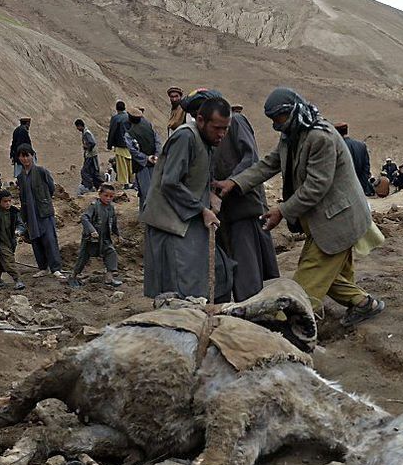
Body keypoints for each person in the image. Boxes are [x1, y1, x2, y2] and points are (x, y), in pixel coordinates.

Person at [216, 87, 385, 326]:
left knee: (306, 283)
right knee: (330, 275)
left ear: (292, 111)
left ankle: (288, 327)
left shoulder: (320, 137)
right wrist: (235, 182)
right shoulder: (291, 134)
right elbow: (269, 164)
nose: (276, 124)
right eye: (272, 120)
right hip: (321, 221)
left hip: (336, 220)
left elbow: (316, 187)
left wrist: (281, 211)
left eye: (279, 118)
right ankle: (364, 304)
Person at [140, 94, 234, 301]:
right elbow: (170, 182)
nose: (222, 134)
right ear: (201, 120)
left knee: (213, 273)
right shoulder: (185, 137)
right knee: (182, 286)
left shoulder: (205, 140)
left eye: (225, 129)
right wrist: (202, 210)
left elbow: (193, 176)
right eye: (217, 128)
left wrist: (209, 194)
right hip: (171, 224)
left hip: (185, 218)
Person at [213, 96, 280, 300]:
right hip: (225, 209)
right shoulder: (205, 133)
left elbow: (250, 158)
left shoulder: (237, 122)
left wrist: (232, 181)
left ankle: (253, 310)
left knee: (248, 265)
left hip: (244, 204)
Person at [15, 143, 65, 278]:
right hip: (29, 213)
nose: (25, 159)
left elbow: (51, 188)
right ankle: (43, 267)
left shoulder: (41, 171)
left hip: (43, 211)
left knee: (49, 239)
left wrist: (44, 200)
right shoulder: (20, 177)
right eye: (22, 156)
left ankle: (55, 268)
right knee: (35, 240)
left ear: (32, 156)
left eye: (27, 156)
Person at [70, 183, 122, 287]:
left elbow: (113, 222)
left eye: (111, 196)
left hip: (105, 238)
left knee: (111, 253)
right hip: (91, 239)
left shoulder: (111, 208)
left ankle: (109, 277)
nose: (108, 198)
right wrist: (92, 230)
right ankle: (73, 276)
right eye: (106, 196)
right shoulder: (94, 206)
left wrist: (118, 234)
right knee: (83, 258)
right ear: (100, 195)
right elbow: (84, 218)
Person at [0, 189, 26, 290]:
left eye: (9, 201)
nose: (8, 203)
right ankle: (18, 280)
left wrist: (18, 231)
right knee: (9, 260)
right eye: (5, 201)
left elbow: (21, 224)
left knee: (5, 259)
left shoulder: (14, 211)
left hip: (11, 241)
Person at [124, 104, 161, 211]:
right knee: (153, 189)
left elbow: (133, 151)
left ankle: (149, 216)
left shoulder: (129, 133)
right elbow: (157, 141)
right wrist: (156, 156)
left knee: (146, 191)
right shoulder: (148, 125)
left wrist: (146, 158)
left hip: (141, 165)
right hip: (154, 162)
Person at [336, 123, 375, 196]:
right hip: (359, 188)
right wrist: (362, 185)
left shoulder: (338, 146)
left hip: (343, 190)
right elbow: (366, 167)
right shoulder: (361, 145)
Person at [107, 101, 133, 187]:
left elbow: (112, 131)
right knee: (130, 163)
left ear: (117, 108)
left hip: (120, 145)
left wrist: (109, 144)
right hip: (130, 144)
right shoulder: (130, 117)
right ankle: (132, 181)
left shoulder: (116, 118)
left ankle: (125, 182)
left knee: (122, 165)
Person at [76, 118, 102, 194]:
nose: (77, 129)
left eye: (77, 127)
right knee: (93, 172)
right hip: (91, 155)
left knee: (84, 171)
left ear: (80, 126)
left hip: (91, 156)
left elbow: (92, 143)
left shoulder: (86, 133)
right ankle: (98, 186)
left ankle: (89, 186)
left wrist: (87, 147)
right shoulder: (85, 132)